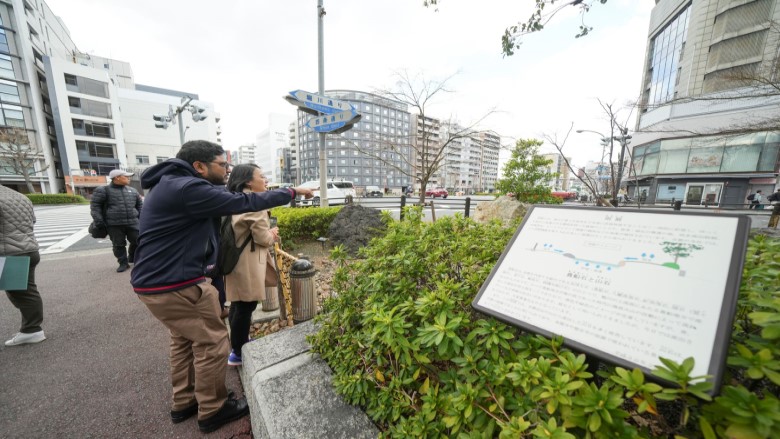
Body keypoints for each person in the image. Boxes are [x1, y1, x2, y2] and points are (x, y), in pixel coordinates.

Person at [129, 140, 313, 433]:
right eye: (222, 165)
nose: (227, 170)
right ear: (199, 166)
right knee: (213, 341)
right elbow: (245, 201)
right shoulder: (188, 189)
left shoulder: (169, 185)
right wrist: (291, 192)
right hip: (178, 283)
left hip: (154, 282)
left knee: (183, 340)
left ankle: (184, 401)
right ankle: (213, 409)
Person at [223, 164, 278, 367]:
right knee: (247, 305)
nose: (265, 180)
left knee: (238, 303)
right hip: (247, 261)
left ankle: (239, 344)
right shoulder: (253, 203)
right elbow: (263, 238)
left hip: (235, 259)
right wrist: (272, 233)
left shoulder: (235, 199)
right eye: (261, 176)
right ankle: (238, 351)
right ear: (248, 181)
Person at [0, 185, 46, 346]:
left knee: (22, 293)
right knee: (26, 290)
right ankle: (31, 329)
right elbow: (32, 220)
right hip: (28, 249)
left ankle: (31, 330)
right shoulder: (19, 196)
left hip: (9, 252)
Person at [90, 170, 143, 272]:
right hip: (114, 224)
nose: (129, 178)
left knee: (138, 241)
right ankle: (123, 263)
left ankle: (132, 257)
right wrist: (99, 221)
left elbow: (140, 206)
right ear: (117, 177)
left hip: (133, 222)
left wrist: (141, 218)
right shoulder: (103, 190)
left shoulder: (133, 191)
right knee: (118, 244)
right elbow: (95, 207)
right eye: (126, 176)